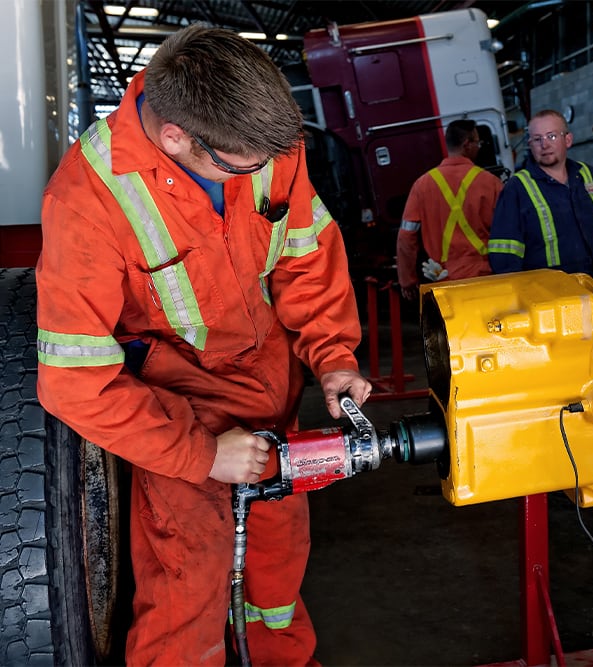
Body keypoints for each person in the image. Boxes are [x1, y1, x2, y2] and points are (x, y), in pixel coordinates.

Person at [35, 24, 372, 665]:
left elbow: (307, 256)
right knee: (188, 587)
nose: (265, 172)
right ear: (174, 138)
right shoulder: (87, 200)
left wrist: (332, 359)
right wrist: (198, 455)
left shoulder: (268, 144)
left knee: (274, 572)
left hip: (270, 389)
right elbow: (72, 381)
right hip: (178, 407)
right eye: (244, 165)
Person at [488, 109, 593, 288]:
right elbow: (504, 259)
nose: (544, 145)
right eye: (537, 139)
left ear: (568, 140)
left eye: (551, 136)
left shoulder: (587, 176)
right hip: (549, 300)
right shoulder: (517, 188)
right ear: (530, 145)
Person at [396, 119, 503, 300]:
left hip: (442, 278)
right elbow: (508, 231)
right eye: (477, 142)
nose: (479, 147)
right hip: (485, 275)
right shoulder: (490, 182)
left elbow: (406, 236)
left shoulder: (422, 185)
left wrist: (407, 279)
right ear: (467, 145)